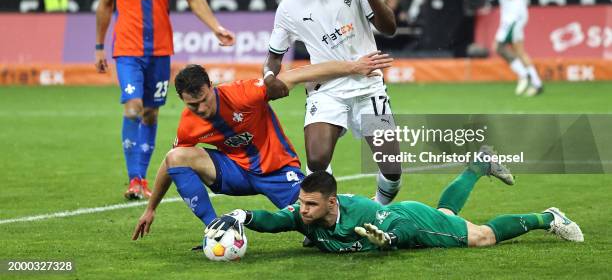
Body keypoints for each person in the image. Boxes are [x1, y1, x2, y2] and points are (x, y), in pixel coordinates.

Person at [131, 52, 394, 239]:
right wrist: (151, 208)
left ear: (211, 86)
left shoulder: (244, 93)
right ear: (182, 100)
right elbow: (170, 162)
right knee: (177, 155)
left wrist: (352, 67)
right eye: (192, 105)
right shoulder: (188, 123)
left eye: (203, 100)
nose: (200, 109)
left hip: (278, 171)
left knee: (319, 223)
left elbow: (298, 74)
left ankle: (380, 217)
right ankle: (216, 230)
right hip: (236, 172)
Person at [95, 0, 235, 200]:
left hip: (159, 51)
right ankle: (134, 179)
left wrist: (215, 27)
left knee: (150, 112)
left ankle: (142, 180)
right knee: (132, 106)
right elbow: (105, 5)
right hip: (127, 50)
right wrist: (98, 45)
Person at [263, 0, 403, 211]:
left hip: (369, 86)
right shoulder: (289, 7)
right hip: (326, 90)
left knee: (391, 166)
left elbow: (389, 28)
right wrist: (268, 77)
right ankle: (327, 217)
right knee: (316, 161)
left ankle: (377, 210)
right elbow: (274, 57)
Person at [204, 152, 583, 253]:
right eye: (302, 203)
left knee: (480, 236)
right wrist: (244, 215)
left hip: (409, 221)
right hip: (402, 222)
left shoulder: (363, 213)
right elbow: (276, 220)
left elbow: (400, 227)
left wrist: (389, 241)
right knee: (447, 212)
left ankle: (547, 216)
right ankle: (479, 163)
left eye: (310, 205)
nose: (302, 211)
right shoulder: (305, 213)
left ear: (332, 203)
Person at [480, 0, 543, 97]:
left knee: (498, 46)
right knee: (519, 50)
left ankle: (523, 75)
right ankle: (536, 82)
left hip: (517, 13)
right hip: (506, 14)